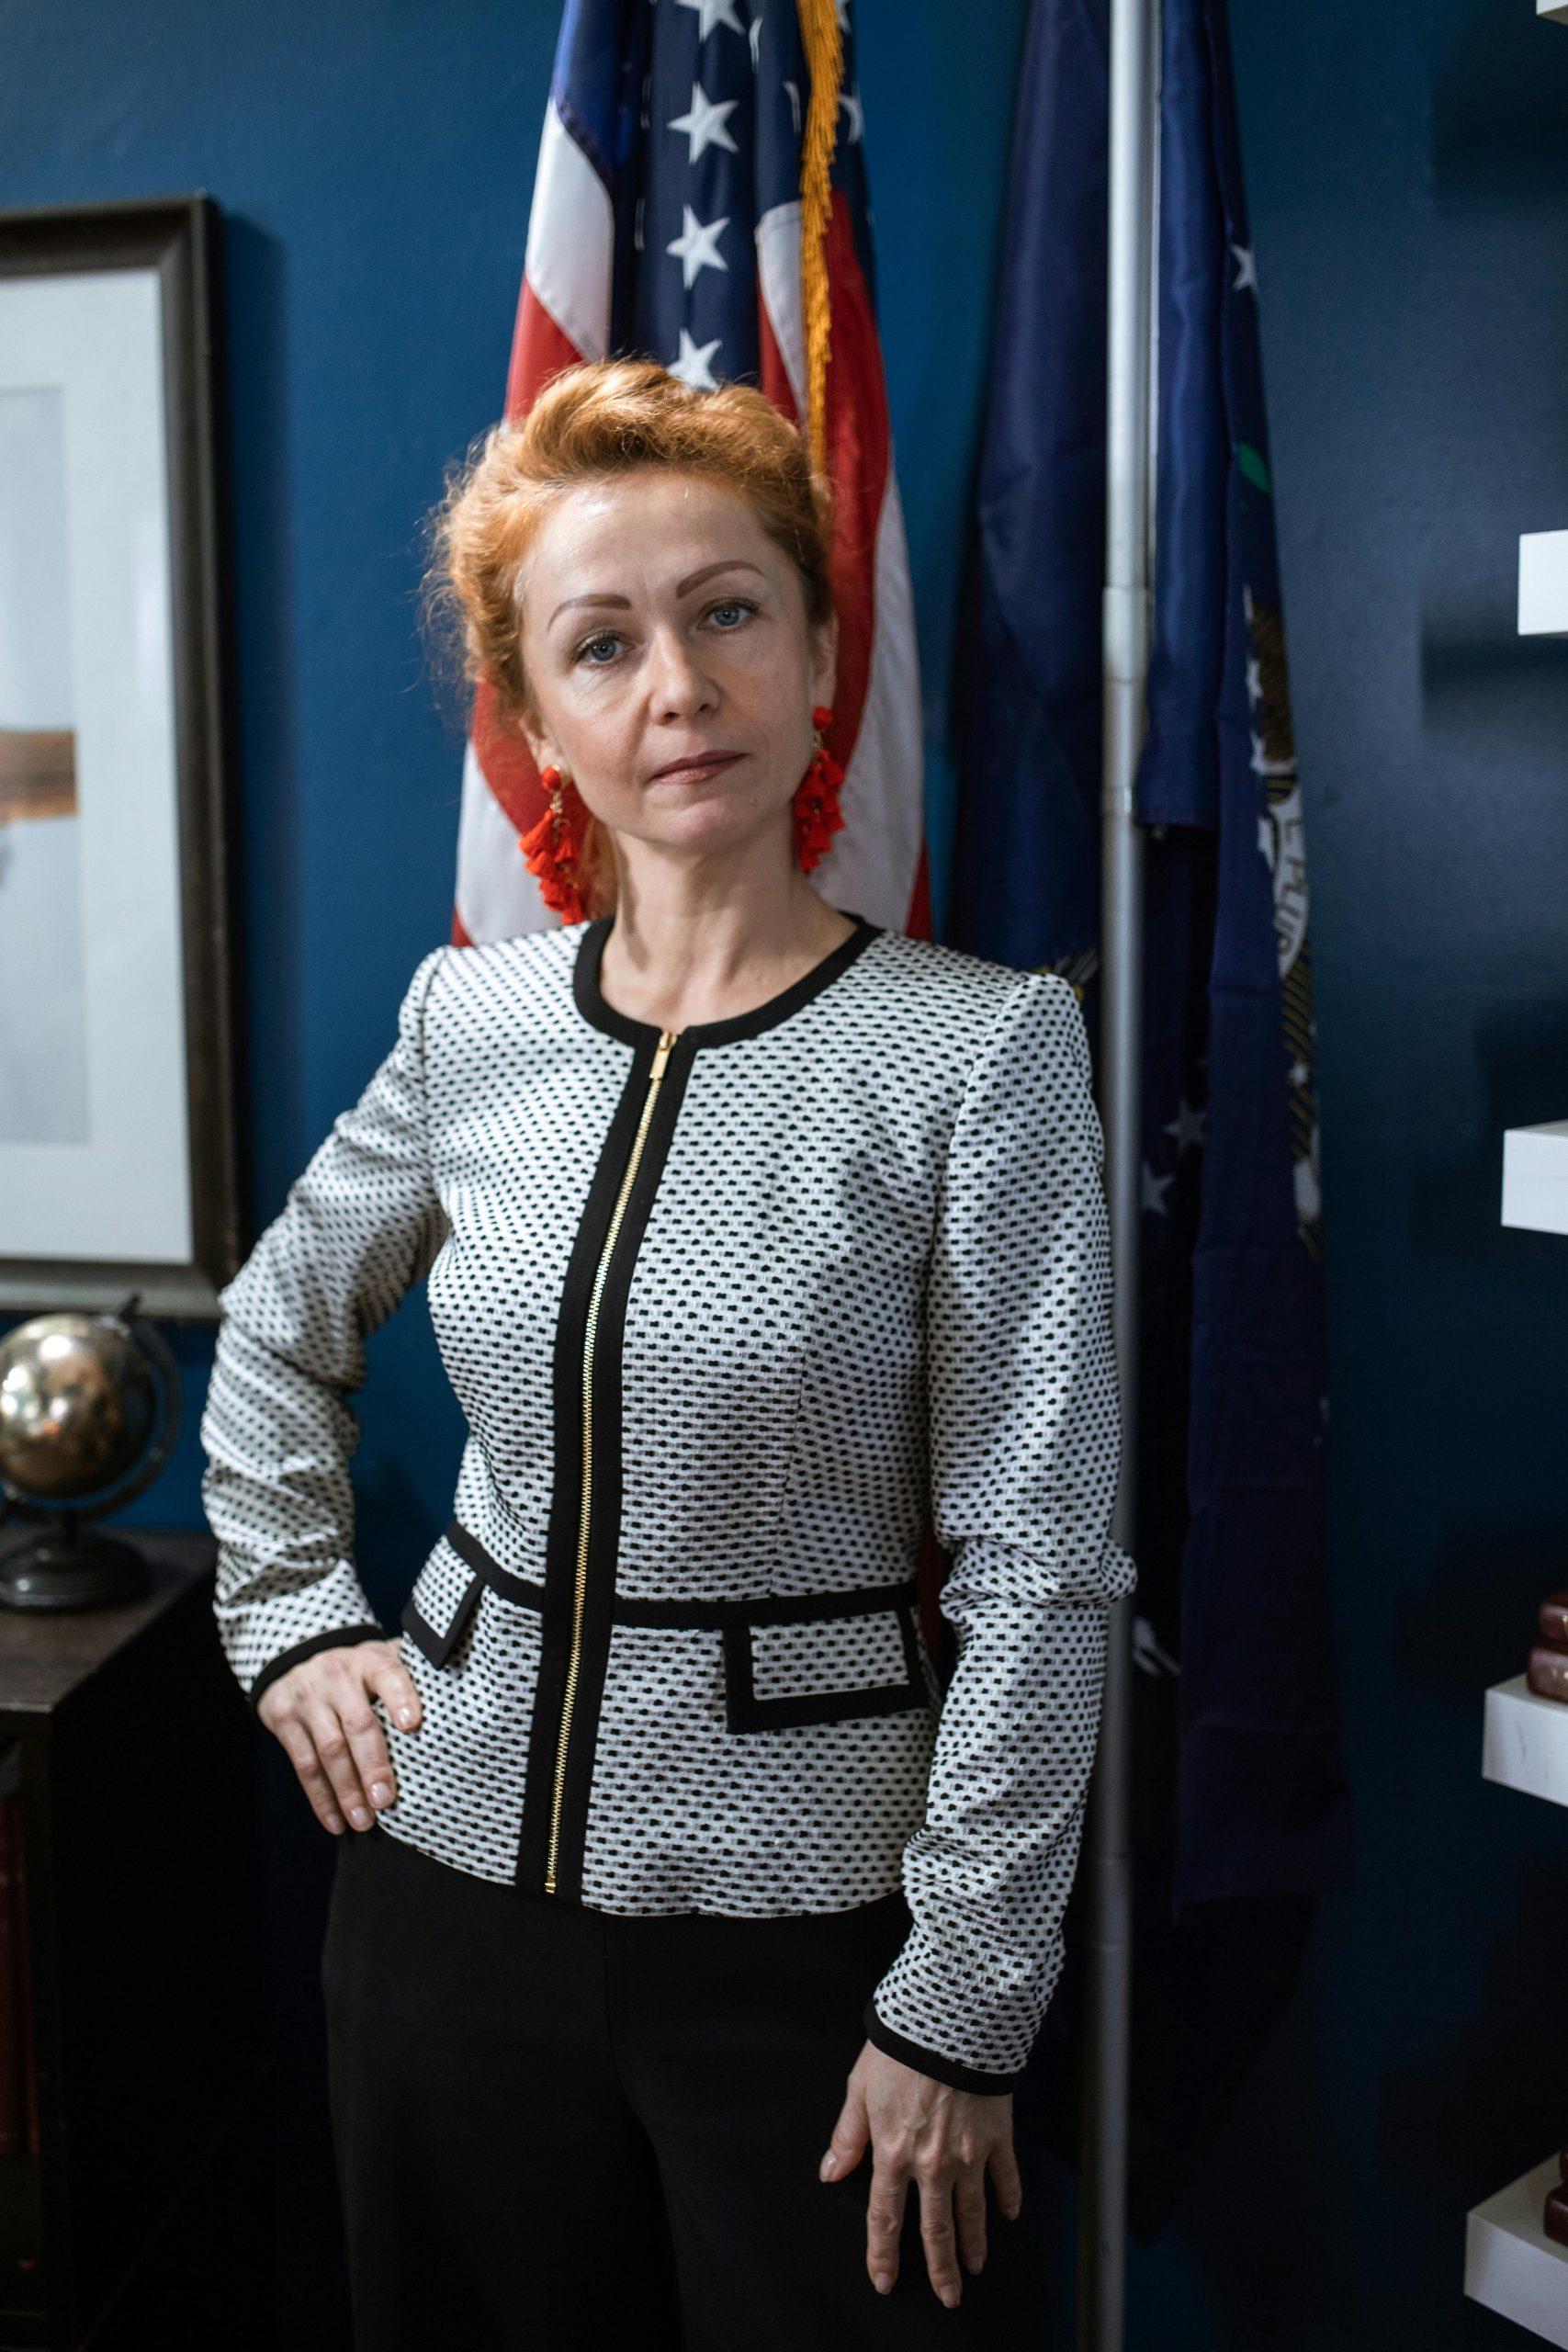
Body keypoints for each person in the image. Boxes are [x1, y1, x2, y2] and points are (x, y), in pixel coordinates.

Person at [199, 357, 1134, 2350]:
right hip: (440, 1907)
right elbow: (278, 1328)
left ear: (813, 648)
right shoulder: (472, 1025)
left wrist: (958, 1997)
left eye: (725, 611)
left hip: (818, 1955)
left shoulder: (977, 1053)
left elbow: (1045, 1564)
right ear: (536, 721)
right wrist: (290, 1621)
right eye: (599, 642)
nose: (674, 685)